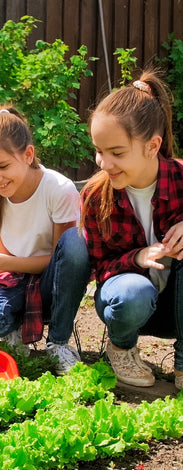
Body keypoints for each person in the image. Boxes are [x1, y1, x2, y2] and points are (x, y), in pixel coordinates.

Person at [80, 70, 183, 407]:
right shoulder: (96, 195)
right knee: (133, 291)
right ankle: (122, 349)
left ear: (152, 146)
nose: (104, 163)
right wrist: (137, 258)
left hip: (181, 309)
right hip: (127, 305)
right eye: (99, 151)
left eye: (117, 152)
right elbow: (99, 267)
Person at [0, 106, 90, 374]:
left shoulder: (58, 189)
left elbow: (66, 259)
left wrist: (6, 262)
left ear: (28, 155)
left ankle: (58, 343)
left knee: (76, 242)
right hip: (12, 279)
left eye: (3, 166)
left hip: (54, 284)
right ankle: (11, 330)